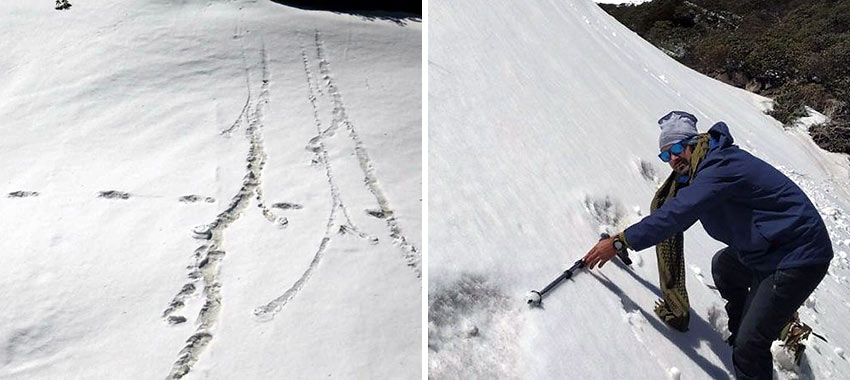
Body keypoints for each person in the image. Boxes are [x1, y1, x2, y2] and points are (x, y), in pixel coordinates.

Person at [582, 111, 833, 379]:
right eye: (666, 155)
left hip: (796, 255)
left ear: (693, 142)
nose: (674, 158)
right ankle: (743, 328)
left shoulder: (719, 167)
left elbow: (678, 213)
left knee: (749, 348)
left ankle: (749, 341)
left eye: (677, 148)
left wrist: (622, 242)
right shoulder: (702, 169)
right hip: (769, 249)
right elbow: (676, 207)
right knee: (724, 266)